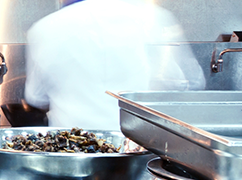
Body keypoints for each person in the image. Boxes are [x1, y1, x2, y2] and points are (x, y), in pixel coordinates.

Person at [24, 0, 205, 130]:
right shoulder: (152, 19)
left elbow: (36, 97)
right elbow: (190, 83)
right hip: (138, 155)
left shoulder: (45, 28)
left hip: (74, 154)